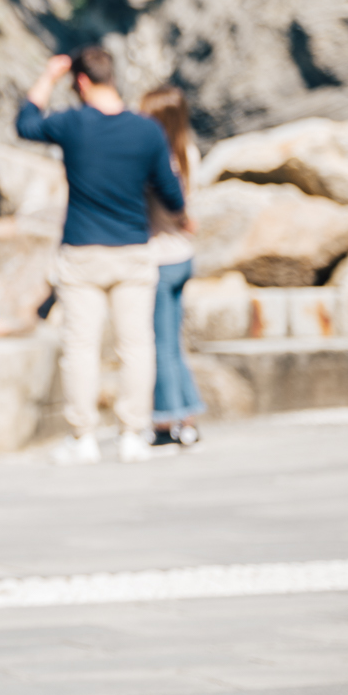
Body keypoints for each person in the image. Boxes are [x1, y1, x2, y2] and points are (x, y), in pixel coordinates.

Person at [20, 47, 188, 465]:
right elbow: (172, 196)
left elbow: (25, 123)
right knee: (136, 345)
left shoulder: (72, 124)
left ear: (80, 82)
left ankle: (84, 438)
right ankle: (133, 434)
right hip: (133, 248)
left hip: (82, 251)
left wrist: (48, 74)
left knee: (80, 347)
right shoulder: (147, 131)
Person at [139, 86, 204, 447]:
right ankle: (188, 415)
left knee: (160, 344)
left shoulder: (158, 160)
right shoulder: (190, 153)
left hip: (159, 257)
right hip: (185, 256)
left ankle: (168, 423)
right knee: (174, 342)